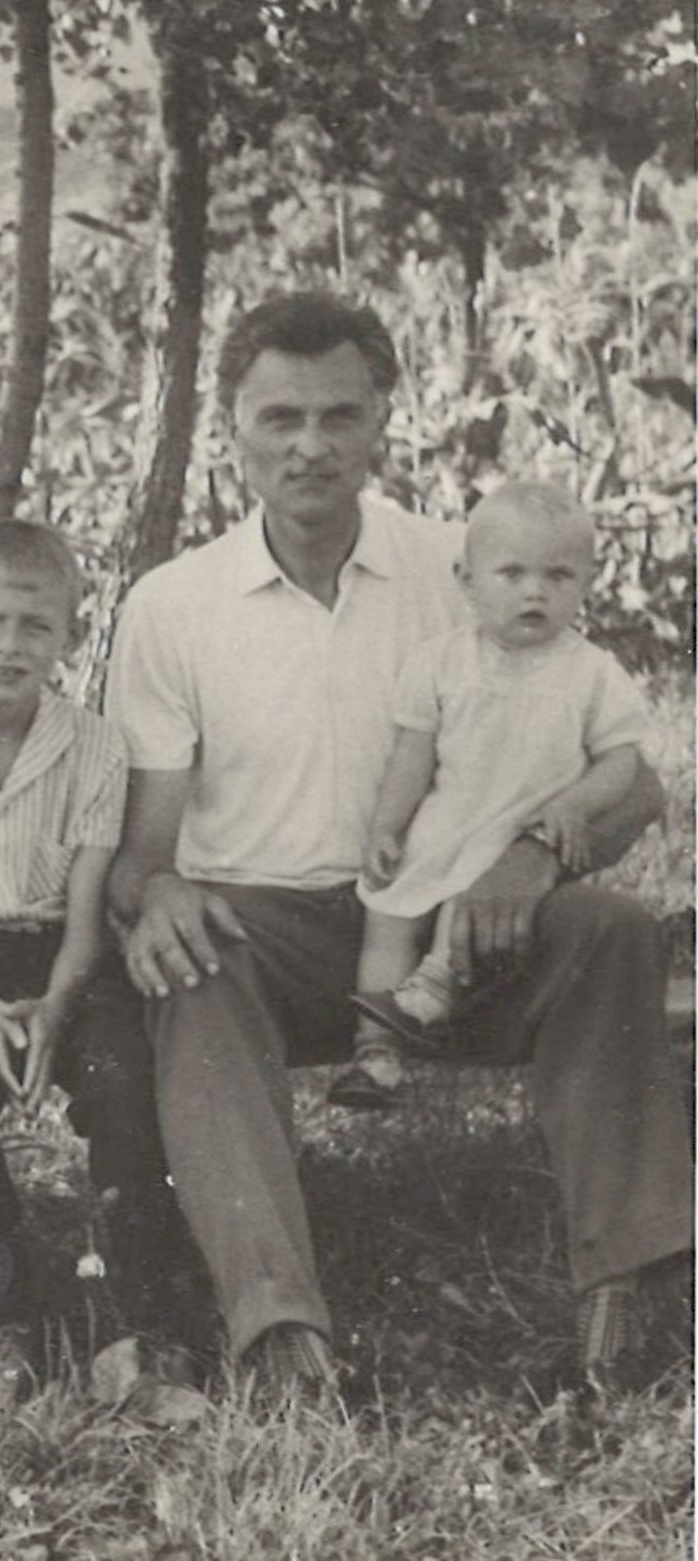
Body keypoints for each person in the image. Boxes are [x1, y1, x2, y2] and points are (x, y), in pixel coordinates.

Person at [106, 291, 690, 1395]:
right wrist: (161, 891)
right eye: (280, 417)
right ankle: (280, 1329)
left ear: (383, 419)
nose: (310, 446)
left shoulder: (468, 567)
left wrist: (536, 857)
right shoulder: (174, 606)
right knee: (192, 963)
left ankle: (630, 1286)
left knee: (610, 930)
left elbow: (638, 786)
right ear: (233, 426)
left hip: (457, 932)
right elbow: (143, 851)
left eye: (340, 415)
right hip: (269, 936)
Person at [0, 523, 207, 1403]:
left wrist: (53, 1005)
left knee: (125, 1067)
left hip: (62, 955)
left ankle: (144, 1318)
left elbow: (86, 919)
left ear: (69, 635)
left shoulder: (95, 746)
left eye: (34, 626)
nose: (8, 646)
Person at [336, 482, 649, 1109]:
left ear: (588, 582)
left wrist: (576, 803)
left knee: (471, 902)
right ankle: (375, 1050)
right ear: (467, 580)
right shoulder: (439, 663)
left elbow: (623, 762)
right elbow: (412, 757)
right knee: (387, 917)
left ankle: (433, 990)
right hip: (444, 825)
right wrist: (387, 827)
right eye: (512, 574)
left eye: (558, 576)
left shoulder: (591, 673)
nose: (535, 592)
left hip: (515, 832)